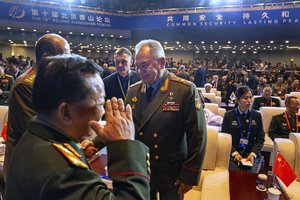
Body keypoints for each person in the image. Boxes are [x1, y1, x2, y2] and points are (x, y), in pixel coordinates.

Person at [4, 54, 150, 200]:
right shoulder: (64, 173)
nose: (104, 111)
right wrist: (125, 145)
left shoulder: (36, 135)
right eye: (100, 103)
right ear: (66, 112)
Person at [126, 39, 207, 200]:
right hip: (142, 169)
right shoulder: (133, 91)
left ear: (162, 62)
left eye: (145, 65)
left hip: (171, 173)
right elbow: (123, 124)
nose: (140, 71)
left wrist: (189, 174)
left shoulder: (184, 90)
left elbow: (197, 136)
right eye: (137, 66)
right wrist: (94, 143)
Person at [3, 33, 71, 179]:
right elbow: (40, 132)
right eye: (65, 58)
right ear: (46, 57)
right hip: (25, 170)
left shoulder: (47, 80)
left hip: (41, 162)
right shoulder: (27, 85)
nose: (68, 63)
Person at [221, 86, 264, 173]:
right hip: (233, 153)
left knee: (249, 175)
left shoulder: (257, 116)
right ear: (238, 99)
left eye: (250, 97)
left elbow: (260, 139)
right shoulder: (229, 115)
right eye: (245, 98)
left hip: (251, 153)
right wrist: (235, 153)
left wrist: (253, 154)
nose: (249, 100)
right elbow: (225, 138)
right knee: (234, 175)